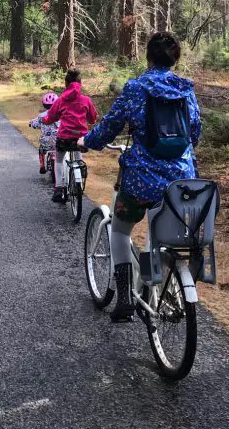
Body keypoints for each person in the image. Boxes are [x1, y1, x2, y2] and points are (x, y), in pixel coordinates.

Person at [78, 32, 201, 322]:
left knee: (120, 230)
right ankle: (155, 285)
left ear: (147, 57)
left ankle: (124, 299)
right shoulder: (186, 89)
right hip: (180, 180)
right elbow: (194, 133)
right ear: (175, 59)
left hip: (140, 179)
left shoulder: (137, 87)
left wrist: (87, 141)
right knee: (160, 233)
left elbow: (110, 126)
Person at [42, 69, 98, 203]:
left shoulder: (61, 100)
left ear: (66, 84)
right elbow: (92, 119)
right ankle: (81, 169)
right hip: (81, 138)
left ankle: (59, 188)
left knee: (59, 160)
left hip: (64, 137)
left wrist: (44, 120)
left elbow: (50, 118)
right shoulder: (86, 100)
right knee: (78, 148)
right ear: (80, 83)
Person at [28, 92, 59, 175]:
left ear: (44, 105)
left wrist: (31, 124)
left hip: (46, 141)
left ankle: (42, 165)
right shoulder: (61, 114)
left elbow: (35, 124)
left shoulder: (41, 116)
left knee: (41, 149)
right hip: (59, 140)